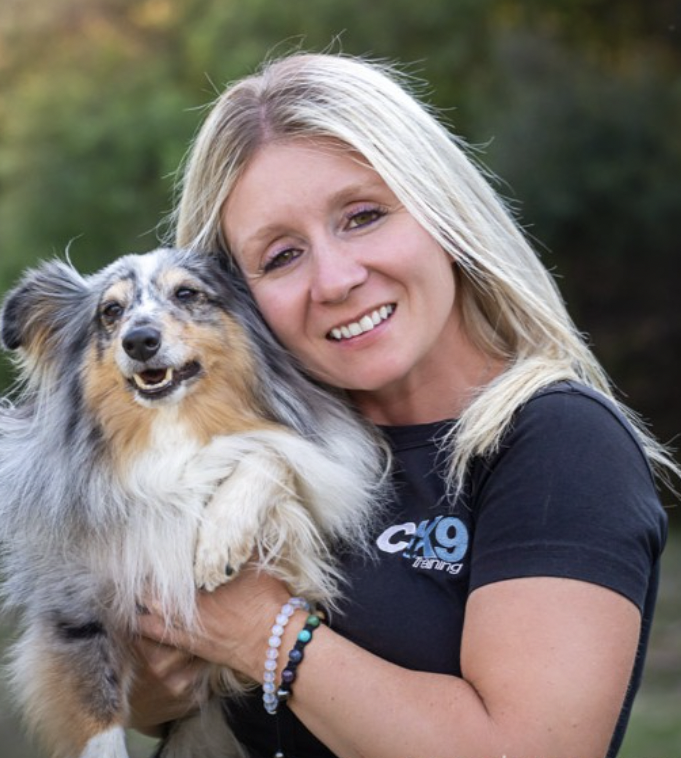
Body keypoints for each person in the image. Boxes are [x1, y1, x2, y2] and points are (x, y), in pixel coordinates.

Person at [130, 52, 674, 758]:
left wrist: (262, 633)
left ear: (440, 209)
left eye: (362, 216)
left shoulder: (561, 443)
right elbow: (156, 694)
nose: (336, 279)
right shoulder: (252, 452)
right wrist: (150, 675)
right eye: (282, 256)